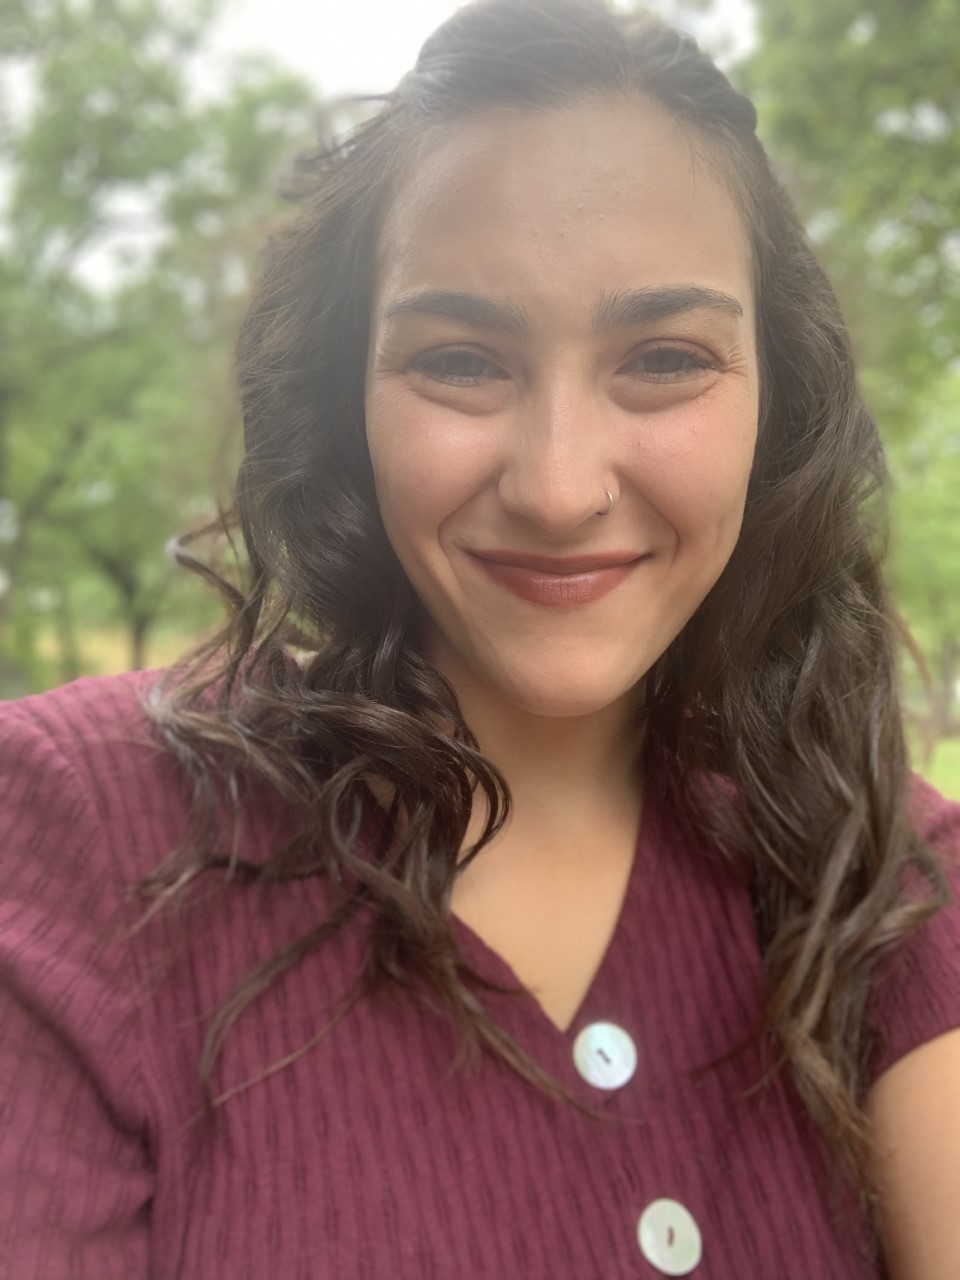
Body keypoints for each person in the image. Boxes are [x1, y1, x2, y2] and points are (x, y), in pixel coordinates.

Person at [2, 1, 959, 1276]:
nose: (559, 487)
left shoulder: (885, 875)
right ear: (348, 399)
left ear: (776, 399)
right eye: (459, 360)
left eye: (664, 358)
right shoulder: (79, 830)